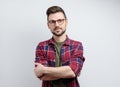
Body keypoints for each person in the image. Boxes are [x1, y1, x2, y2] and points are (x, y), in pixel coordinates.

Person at [34, 6, 85, 87]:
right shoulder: (41, 46)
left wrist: (44, 69)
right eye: (52, 22)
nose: (56, 24)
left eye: (60, 20)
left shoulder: (77, 45)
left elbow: (72, 72)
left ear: (66, 22)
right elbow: (42, 75)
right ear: (48, 25)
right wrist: (66, 72)